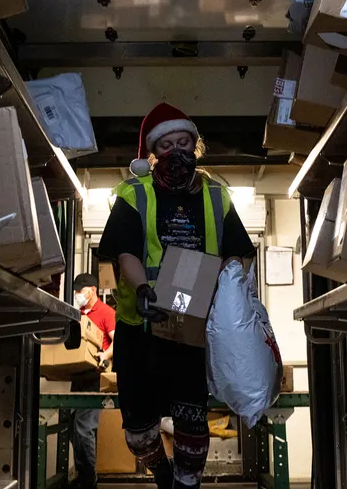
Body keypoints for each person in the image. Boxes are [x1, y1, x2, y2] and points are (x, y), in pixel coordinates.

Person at [97, 103, 256, 489]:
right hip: (140, 325)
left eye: (182, 141)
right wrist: (143, 288)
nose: (176, 152)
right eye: (165, 145)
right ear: (153, 152)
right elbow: (125, 251)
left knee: (191, 418)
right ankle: (162, 474)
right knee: (137, 430)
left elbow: (238, 251)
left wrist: (225, 287)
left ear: (195, 144)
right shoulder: (134, 194)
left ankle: (187, 484)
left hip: (190, 326)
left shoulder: (218, 196)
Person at [70, 272, 116, 489]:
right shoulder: (77, 315)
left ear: (92, 290)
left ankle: (88, 482)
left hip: (96, 376)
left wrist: (105, 355)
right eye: (76, 291)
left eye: (80, 291)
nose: (77, 295)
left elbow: (119, 341)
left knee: (83, 426)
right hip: (78, 375)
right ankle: (85, 476)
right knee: (74, 428)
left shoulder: (106, 312)